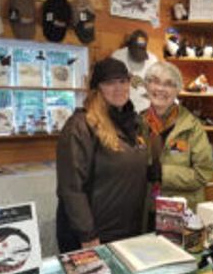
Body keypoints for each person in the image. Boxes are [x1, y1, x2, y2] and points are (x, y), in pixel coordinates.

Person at [56, 57, 148, 253]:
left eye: (123, 81)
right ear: (97, 88)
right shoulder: (80, 126)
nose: (118, 88)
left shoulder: (135, 123)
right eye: (109, 83)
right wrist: (87, 235)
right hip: (93, 236)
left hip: (126, 231)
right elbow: (71, 188)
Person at [143, 61, 213, 214]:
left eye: (169, 84)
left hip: (180, 213)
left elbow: (203, 173)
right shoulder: (136, 123)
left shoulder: (192, 127)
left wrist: (162, 174)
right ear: (147, 86)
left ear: (177, 90)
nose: (161, 88)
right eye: (155, 81)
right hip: (144, 210)